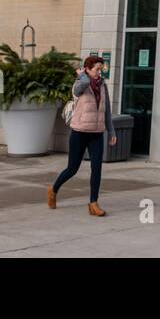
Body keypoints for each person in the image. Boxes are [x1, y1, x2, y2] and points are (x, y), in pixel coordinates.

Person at [47, 56, 117, 216]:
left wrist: (111, 130)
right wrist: (81, 75)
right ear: (87, 69)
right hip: (79, 133)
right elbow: (83, 84)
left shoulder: (103, 86)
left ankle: (93, 203)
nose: (100, 73)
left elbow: (107, 111)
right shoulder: (79, 84)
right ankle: (53, 189)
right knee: (72, 169)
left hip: (97, 134)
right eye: (96, 69)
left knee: (97, 168)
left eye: (101, 69)